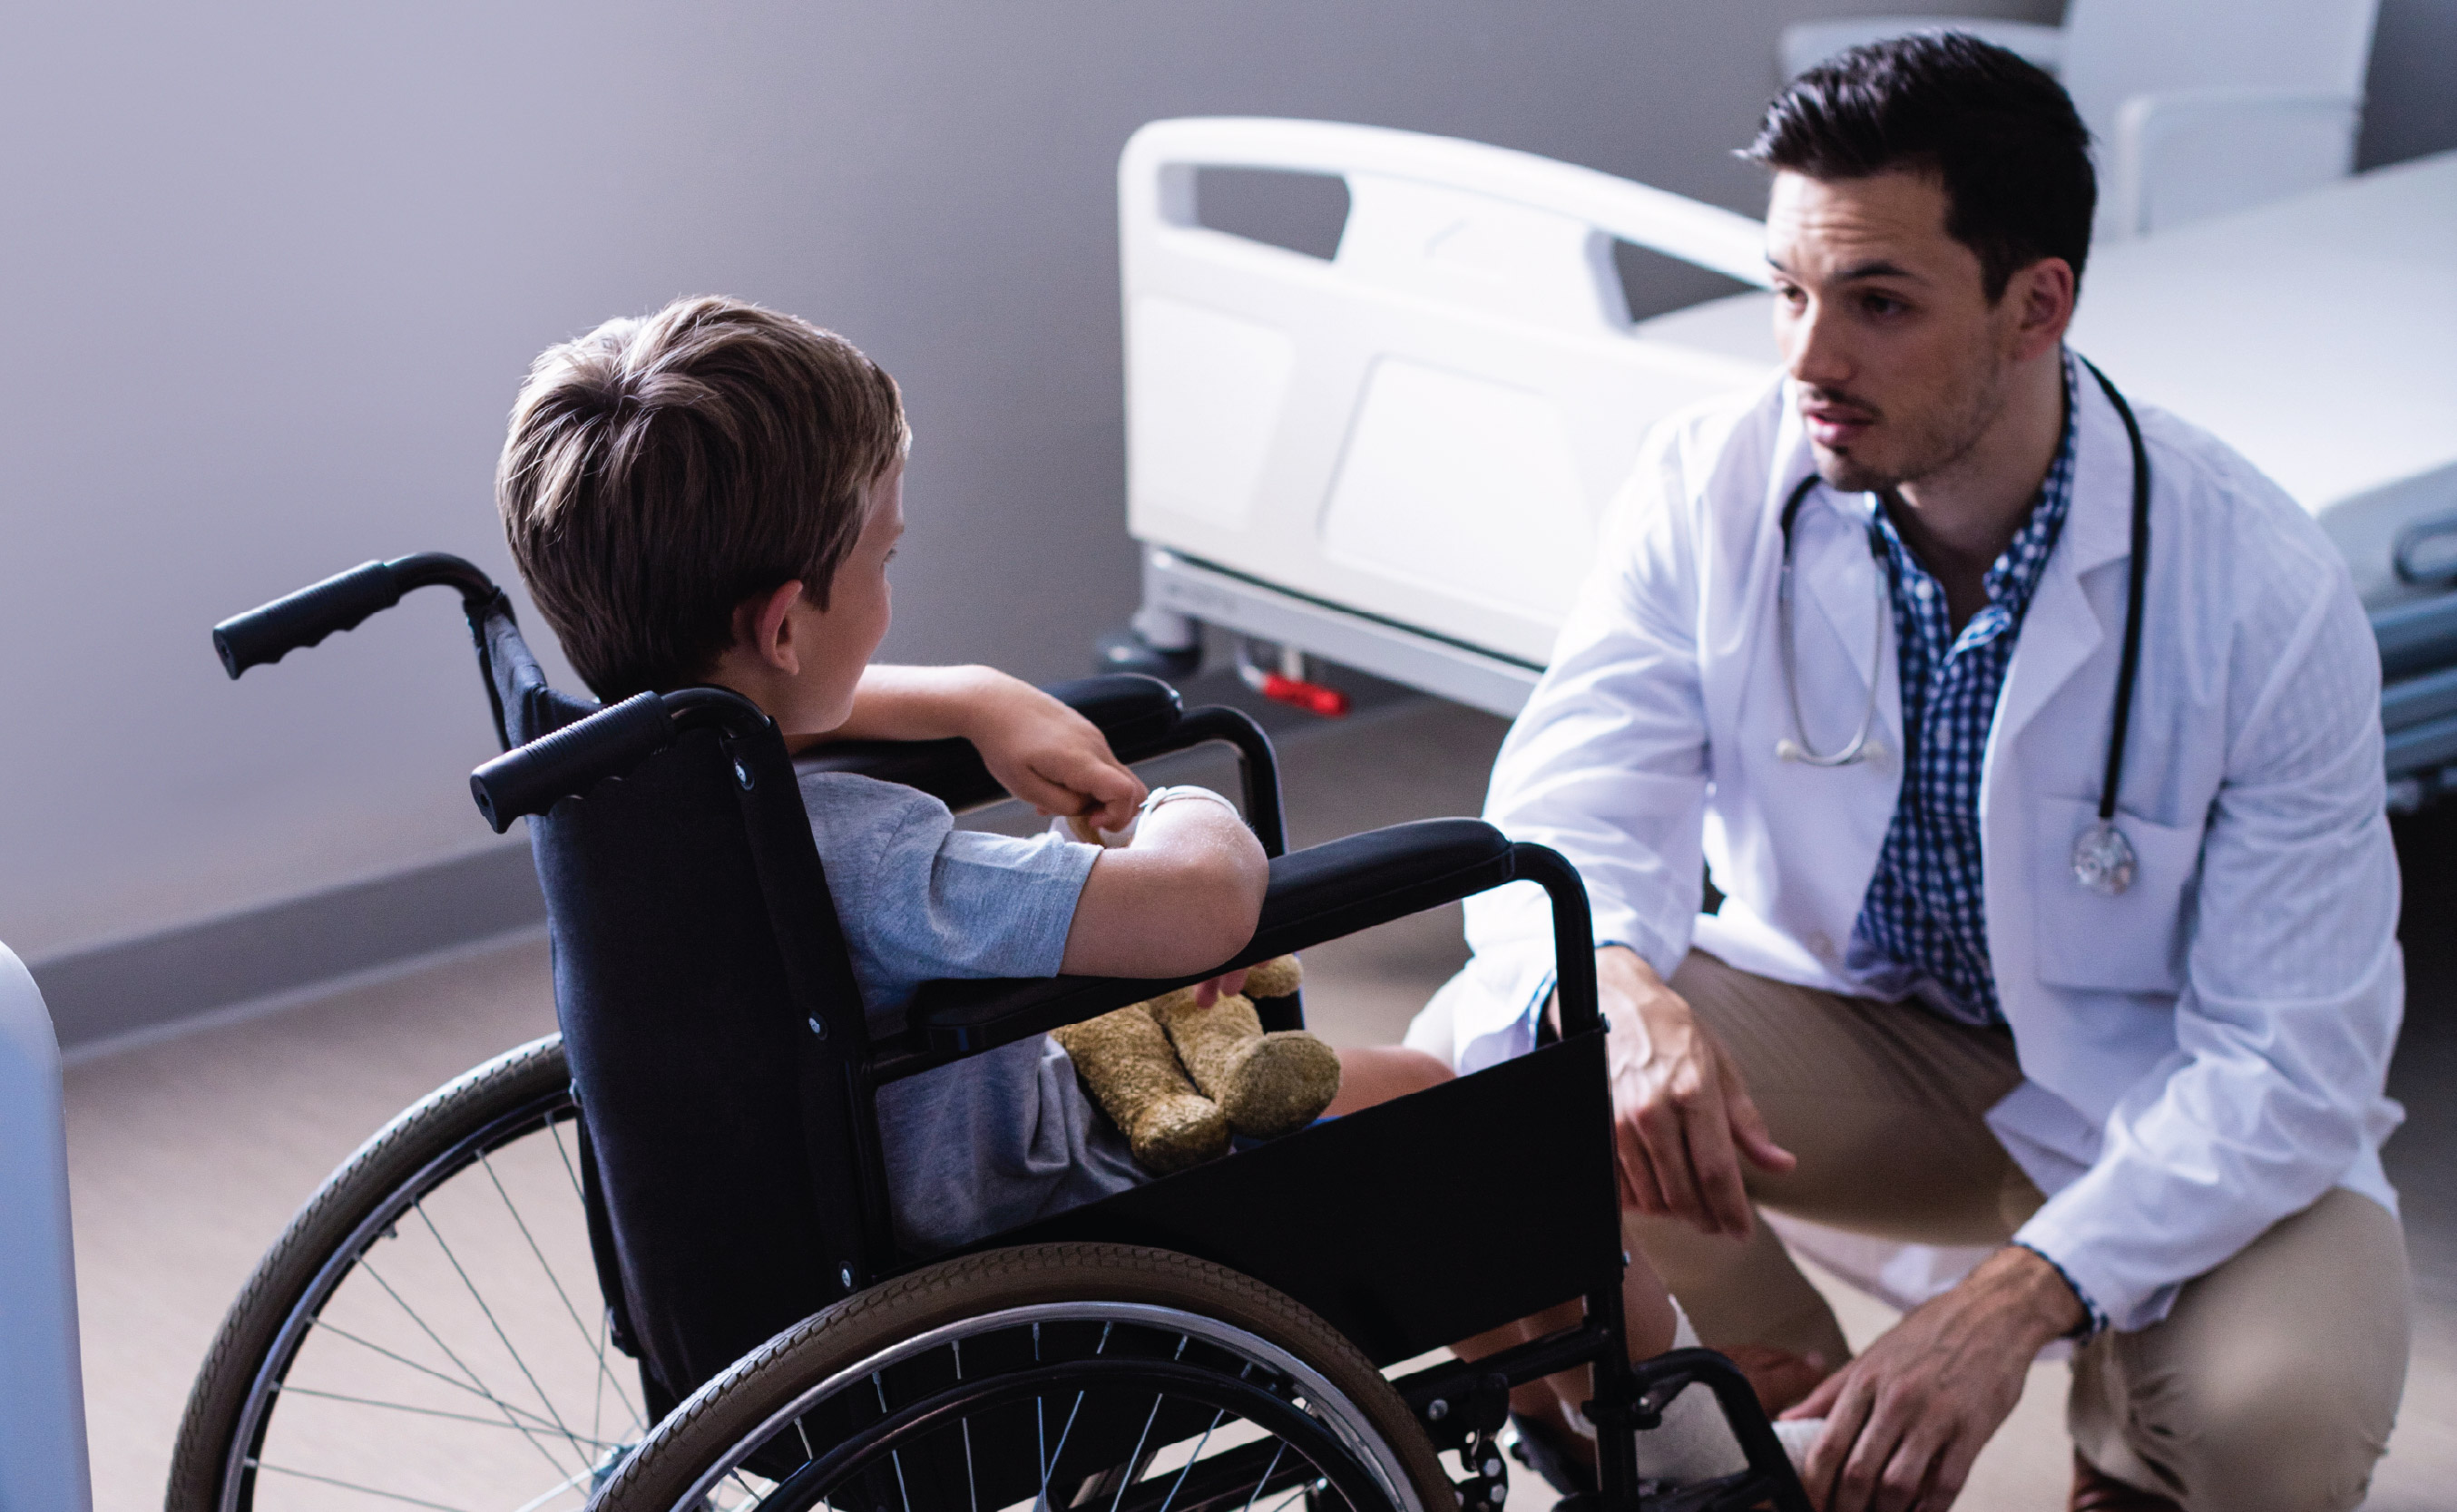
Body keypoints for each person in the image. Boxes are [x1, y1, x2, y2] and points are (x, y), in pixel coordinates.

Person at [1412, 34, 2409, 1512]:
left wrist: (2005, 1308)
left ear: (2035, 304)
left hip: (2170, 1086)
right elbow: (1566, 804)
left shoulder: (2254, 582)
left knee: (2274, 1418)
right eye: (1789, 294)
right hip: (1860, 1046)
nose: (1809, 360)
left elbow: (2287, 1054)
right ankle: (1759, 1441)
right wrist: (1626, 1000)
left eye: (1876, 304)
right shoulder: (1713, 481)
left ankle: (2119, 1442)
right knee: (1491, 1063)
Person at [495, 295, 1447, 1253]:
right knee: (1425, 1092)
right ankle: (1554, 1406)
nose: (889, 590)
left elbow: (760, 707)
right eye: (885, 558)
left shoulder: (627, 783)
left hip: (791, 1221)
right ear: (783, 627)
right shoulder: (869, 864)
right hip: (1040, 1196)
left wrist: (972, 697)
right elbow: (1202, 902)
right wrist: (1174, 806)